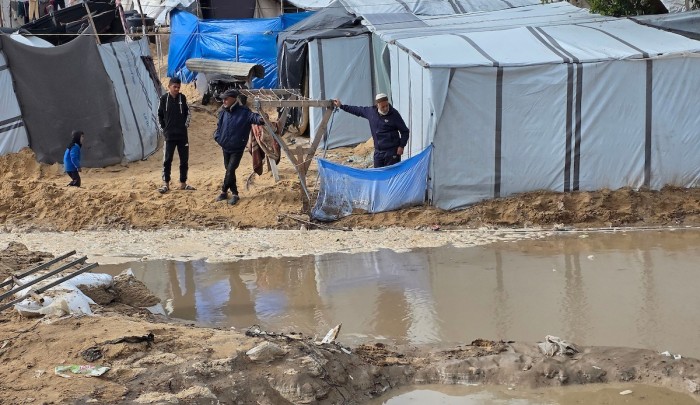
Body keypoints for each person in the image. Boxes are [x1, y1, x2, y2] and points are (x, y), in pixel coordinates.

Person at [213, 89, 265, 205]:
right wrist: (218, 138)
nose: (223, 101)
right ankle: (234, 193)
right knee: (229, 170)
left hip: (237, 148)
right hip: (225, 146)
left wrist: (261, 119)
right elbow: (218, 127)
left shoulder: (244, 112)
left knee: (230, 170)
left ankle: (223, 191)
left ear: (233, 99)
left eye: (226, 99)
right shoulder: (223, 112)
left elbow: (254, 117)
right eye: (223, 99)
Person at [332, 93, 410, 168]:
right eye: (383, 107)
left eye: (387, 105)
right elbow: (356, 110)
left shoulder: (394, 114)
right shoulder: (371, 112)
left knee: (391, 175)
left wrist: (401, 146)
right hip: (378, 152)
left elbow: (405, 131)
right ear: (377, 105)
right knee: (378, 174)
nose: (386, 108)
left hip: (392, 152)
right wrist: (341, 106)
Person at [157, 77, 194, 193]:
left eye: (178, 87)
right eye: (175, 87)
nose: (177, 89)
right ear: (169, 87)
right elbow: (159, 115)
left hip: (182, 136)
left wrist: (184, 126)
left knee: (184, 160)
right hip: (169, 136)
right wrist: (164, 129)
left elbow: (188, 113)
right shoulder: (163, 99)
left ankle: (183, 183)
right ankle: (166, 184)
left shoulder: (182, 98)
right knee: (167, 160)